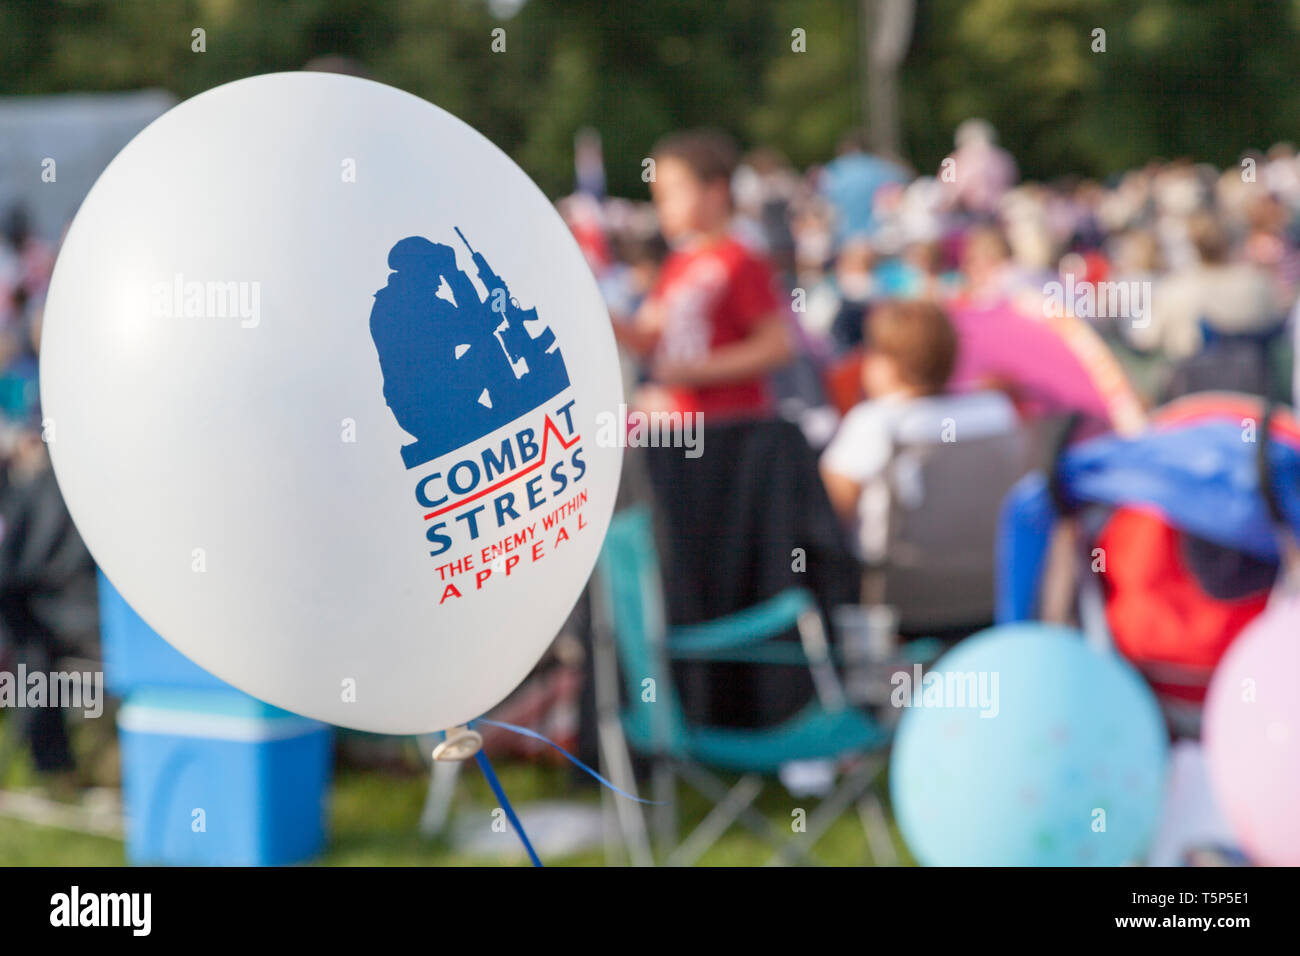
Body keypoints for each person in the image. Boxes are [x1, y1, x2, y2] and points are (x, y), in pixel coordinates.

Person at [820, 300, 1017, 561]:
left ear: (888, 363)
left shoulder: (873, 423)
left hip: (892, 583)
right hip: (987, 573)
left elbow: (827, 516)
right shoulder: (995, 410)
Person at [616, 128, 794, 417]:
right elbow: (646, 336)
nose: (663, 208)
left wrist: (696, 371)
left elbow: (777, 346)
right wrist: (600, 314)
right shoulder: (678, 261)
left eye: (671, 193)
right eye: (658, 196)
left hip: (731, 427)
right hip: (683, 426)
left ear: (716, 191)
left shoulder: (741, 258)